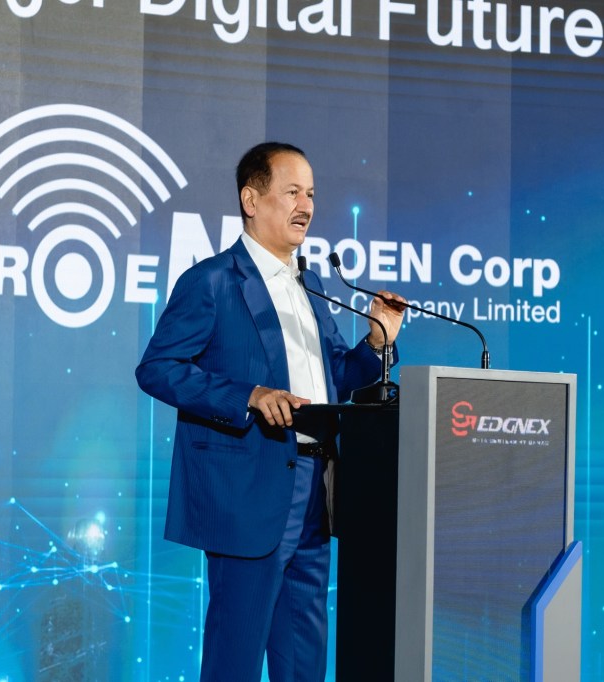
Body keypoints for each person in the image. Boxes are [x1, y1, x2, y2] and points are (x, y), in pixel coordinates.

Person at [135, 142, 405, 682]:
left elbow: (335, 378)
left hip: (315, 489)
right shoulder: (213, 280)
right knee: (234, 661)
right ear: (251, 200)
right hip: (248, 490)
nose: (306, 206)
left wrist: (377, 343)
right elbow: (158, 368)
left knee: (304, 661)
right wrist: (248, 396)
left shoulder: (311, 284)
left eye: (312, 194)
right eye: (292, 192)